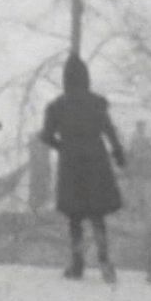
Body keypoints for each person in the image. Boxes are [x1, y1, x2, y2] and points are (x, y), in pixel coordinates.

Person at [40, 54, 126, 283]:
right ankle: (105, 262)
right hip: (96, 162)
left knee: (74, 217)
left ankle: (77, 264)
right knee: (98, 216)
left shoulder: (57, 106)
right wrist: (118, 153)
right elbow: (109, 130)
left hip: (71, 166)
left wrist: (62, 147)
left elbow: (45, 136)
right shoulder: (96, 103)